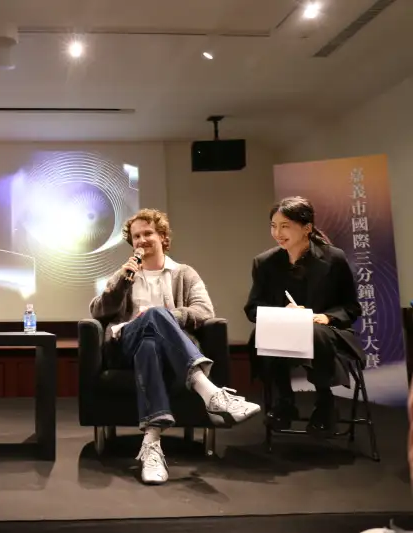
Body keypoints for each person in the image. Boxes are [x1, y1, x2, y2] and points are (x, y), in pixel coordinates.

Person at [90, 208, 261, 485]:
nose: (141, 240)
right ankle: (210, 392)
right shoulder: (124, 275)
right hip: (125, 346)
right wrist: (121, 282)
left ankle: (152, 445)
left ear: (162, 236)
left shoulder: (184, 273)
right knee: (151, 320)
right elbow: (97, 311)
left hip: (165, 351)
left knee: (150, 341)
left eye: (148, 233)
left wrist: (168, 317)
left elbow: (204, 311)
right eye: (136, 236)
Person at [244, 196, 363, 438]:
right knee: (261, 334)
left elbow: (351, 306)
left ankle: (325, 403)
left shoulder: (334, 258)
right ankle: (284, 401)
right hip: (284, 331)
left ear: (306, 228)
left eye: (285, 226)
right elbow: (253, 308)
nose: (277, 233)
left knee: (314, 332)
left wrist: (326, 317)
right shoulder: (265, 263)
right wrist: (281, 314)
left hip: (328, 332)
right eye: (273, 226)